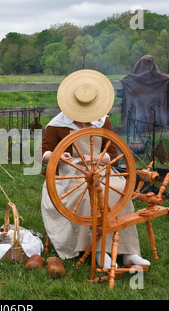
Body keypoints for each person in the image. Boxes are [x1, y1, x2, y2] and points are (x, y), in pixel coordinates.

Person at [40, 69, 150, 268]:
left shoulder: (103, 121)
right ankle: (99, 253)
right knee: (87, 197)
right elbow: (43, 154)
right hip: (69, 175)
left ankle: (129, 253)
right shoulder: (56, 125)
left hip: (100, 169)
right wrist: (58, 156)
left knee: (120, 192)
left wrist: (97, 157)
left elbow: (113, 152)